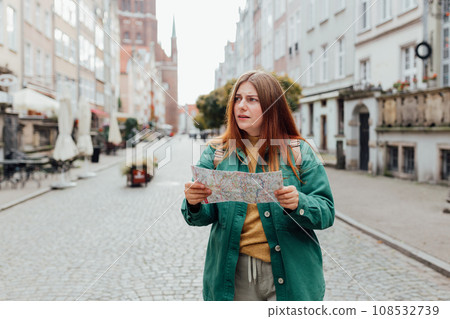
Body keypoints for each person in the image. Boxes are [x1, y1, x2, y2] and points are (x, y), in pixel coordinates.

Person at [181, 70, 334, 301]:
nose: (241, 106)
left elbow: (327, 211)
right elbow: (202, 216)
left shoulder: (299, 152)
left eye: (252, 100)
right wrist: (193, 203)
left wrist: (299, 203)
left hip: (291, 275)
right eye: (238, 99)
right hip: (234, 276)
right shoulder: (216, 153)